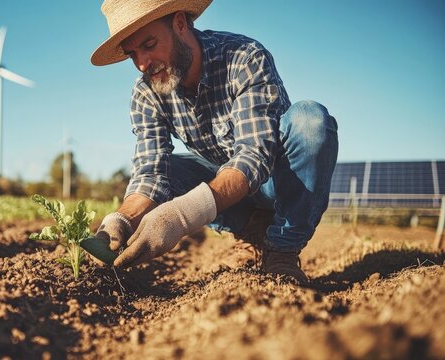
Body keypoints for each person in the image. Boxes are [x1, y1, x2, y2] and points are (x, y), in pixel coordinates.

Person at [90, 0, 338, 284]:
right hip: (229, 189)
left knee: (310, 120)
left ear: (180, 24)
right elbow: (151, 172)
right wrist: (121, 220)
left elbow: (253, 157)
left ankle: (283, 251)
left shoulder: (243, 57)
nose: (143, 64)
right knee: (169, 170)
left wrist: (181, 215)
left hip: (276, 180)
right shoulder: (147, 91)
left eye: (149, 44)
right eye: (132, 54)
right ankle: (251, 233)